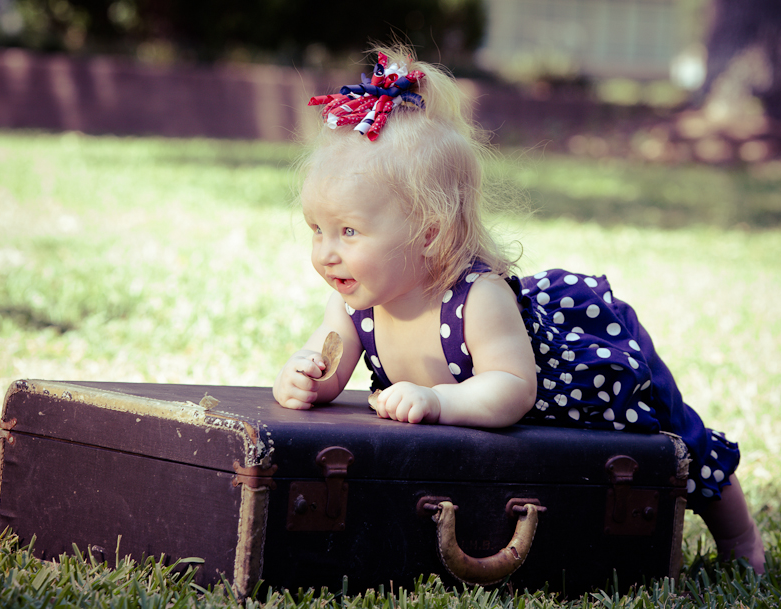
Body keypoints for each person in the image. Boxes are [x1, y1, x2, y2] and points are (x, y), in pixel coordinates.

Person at [272, 44, 765, 574]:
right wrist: (303, 378)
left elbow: (512, 388)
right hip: (495, 430)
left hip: (585, 368)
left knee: (678, 433)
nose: (326, 252)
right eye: (316, 230)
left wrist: (437, 400)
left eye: (348, 231)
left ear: (428, 232)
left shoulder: (476, 298)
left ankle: (742, 541)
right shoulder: (353, 302)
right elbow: (329, 369)